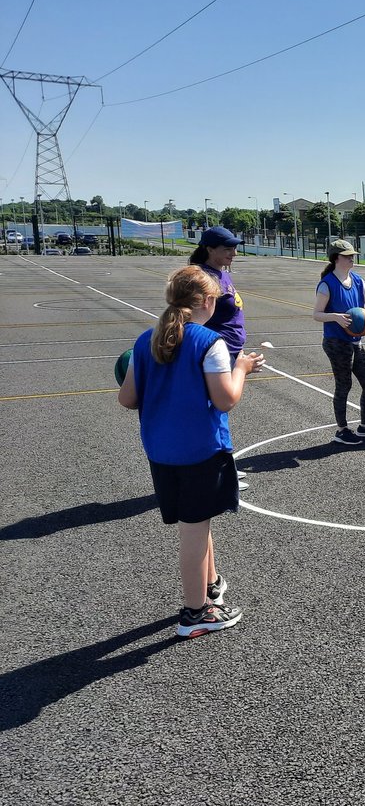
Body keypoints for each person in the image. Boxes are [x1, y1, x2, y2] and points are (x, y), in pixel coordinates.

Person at [117, 265, 265, 638]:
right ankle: (196, 612)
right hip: (200, 449)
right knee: (193, 532)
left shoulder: (146, 341)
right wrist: (242, 368)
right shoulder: (208, 341)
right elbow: (226, 399)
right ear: (208, 301)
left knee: (199, 521)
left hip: (161, 450)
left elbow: (128, 398)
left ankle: (211, 583)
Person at [190, 226, 250, 490]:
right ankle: (218, 472)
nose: (233, 253)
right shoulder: (202, 278)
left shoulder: (219, 273)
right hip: (217, 354)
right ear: (209, 249)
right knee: (218, 410)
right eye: (227, 248)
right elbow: (192, 316)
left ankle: (221, 467)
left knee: (220, 412)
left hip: (229, 351)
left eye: (234, 248)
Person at [312, 240, 365, 446]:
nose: (352, 258)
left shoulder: (358, 280)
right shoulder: (327, 283)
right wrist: (335, 316)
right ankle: (342, 430)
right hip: (336, 342)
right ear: (336, 258)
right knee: (344, 385)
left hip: (355, 342)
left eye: (353, 255)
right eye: (347, 255)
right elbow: (317, 314)